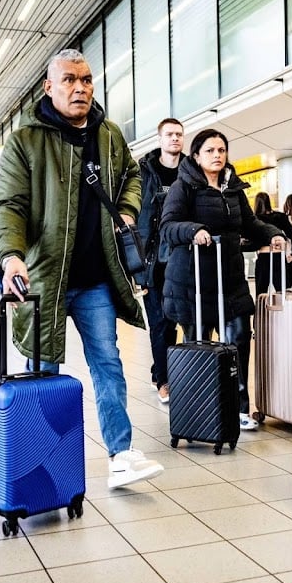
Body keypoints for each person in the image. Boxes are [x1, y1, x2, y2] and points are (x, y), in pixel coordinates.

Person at [0, 48, 164, 490]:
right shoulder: (24, 141)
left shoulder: (108, 135)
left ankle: (121, 454)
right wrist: (11, 255)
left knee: (108, 362)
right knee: (44, 369)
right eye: (69, 80)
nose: (80, 87)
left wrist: (125, 210)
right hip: (45, 278)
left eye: (86, 80)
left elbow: (132, 174)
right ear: (49, 87)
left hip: (96, 278)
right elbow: (9, 206)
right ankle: (40, 467)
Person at [160, 129, 286, 431]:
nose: (217, 155)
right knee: (199, 346)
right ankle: (197, 407)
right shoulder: (184, 187)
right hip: (194, 285)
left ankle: (239, 407)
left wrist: (273, 234)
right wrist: (192, 231)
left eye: (221, 150)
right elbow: (168, 226)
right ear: (196, 156)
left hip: (230, 281)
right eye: (210, 151)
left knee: (239, 341)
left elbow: (250, 223)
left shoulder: (233, 189)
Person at [137, 117, 184, 404]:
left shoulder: (190, 171)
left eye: (179, 134)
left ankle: (163, 369)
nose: (175, 139)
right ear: (160, 139)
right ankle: (164, 380)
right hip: (152, 261)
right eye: (169, 134)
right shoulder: (144, 172)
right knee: (159, 322)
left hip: (181, 259)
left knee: (174, 321)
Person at [252, 192, 292, 295]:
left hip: (263, 256)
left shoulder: (255, 219)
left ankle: (262, 311)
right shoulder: (280, 216)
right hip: (279, 256)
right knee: (283, 292)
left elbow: (252, 241)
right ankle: (284, 311)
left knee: (261, 293)